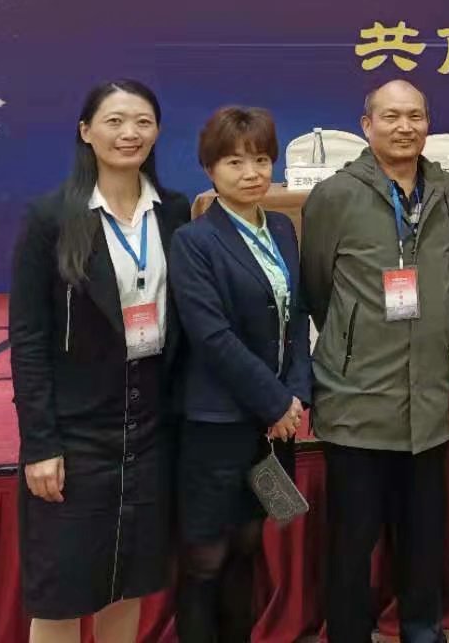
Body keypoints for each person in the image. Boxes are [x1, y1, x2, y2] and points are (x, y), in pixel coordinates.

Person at [8, 80, 191, 643]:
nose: (129, 133)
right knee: (61, 591)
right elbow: (28, 339)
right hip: (76, 433)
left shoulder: (176, 212)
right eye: (114, 121)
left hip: (151, 428)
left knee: (128, 583)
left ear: (157, 132)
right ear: (86, 132)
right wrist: (40, 444)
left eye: (142, 121)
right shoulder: (51, 218)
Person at [300, 79, 449, 643]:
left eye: (415, 115)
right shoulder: (335, 196)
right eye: (391, 116)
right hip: (356, 402)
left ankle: (422, 630)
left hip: (426, 402)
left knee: (423, 538)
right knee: (353, 540)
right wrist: (351, 344)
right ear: (366, 125)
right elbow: (317, 287)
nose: (404, 127)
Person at [168, 106, 312, 642]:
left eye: (261, 160)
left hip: (273, 426)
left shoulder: (282, 228)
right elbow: (212, 337)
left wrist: (296, 394)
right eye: (234, 162)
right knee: (206, 558)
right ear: (209, 168)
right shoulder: (194, 241)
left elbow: (297, 318)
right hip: (217, 423)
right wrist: (274, 401)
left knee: (248, 546)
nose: (251, 173)